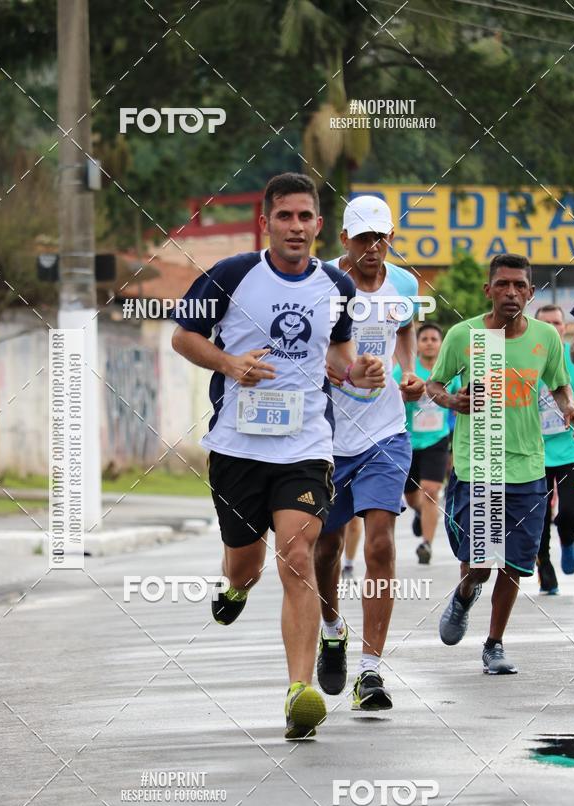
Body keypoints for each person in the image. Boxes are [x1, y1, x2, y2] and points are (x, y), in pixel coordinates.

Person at [172, 173, 385, 740]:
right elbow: (183, 337)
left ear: (319, 224)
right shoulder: (233, 275)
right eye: (285, 216)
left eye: (305, 217)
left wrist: (356, 372)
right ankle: (237, 585)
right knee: (247, 562)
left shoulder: (337, 283)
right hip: (238, 447)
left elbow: (338, 357)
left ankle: (299, 691)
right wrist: (229, 364)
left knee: (298, 554)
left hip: (307, 446)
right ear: (267, 222)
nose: (296, 226)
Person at [427, 253, 574, 675]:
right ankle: (464, 595)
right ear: (488, 290)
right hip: (480, 463)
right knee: (479, 564)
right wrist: (453, 400)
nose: (511, 292)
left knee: (514, 565)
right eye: (503, 284)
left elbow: (560, 384)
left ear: (530, 293)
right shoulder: (465, 335)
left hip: (528, 465)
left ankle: (494, 644)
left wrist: (569, 407)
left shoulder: (546, 339)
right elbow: (434, 384)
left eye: (520, 286)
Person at [314, 194, 424, 710]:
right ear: (344, 241)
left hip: (385, 432)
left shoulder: (404, 284)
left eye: (381, 238)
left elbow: (403, 330)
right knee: (326, 548)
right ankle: (332, 626)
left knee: (380, 542)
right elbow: (302, 351)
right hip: (325, 436)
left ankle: (371, 670)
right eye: (363, 239)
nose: (373, 248)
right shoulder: (319, 284)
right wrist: (344, 370)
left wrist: (408, 372)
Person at [393, 323, 461, 564]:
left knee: (431, 491)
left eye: (434, 338)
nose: (430, 342)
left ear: (441, 344)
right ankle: (421, 513)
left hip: (437, 439)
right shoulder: (405, 371)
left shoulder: (449, 372)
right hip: (408, 440)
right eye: (425, 339)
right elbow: (391, 402)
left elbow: (455, 404)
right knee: (412, 497)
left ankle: (426, 544)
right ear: (417, 344)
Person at [534, 304, 574, 593]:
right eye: (546, 323)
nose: (553, 328)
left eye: (558, 323)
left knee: (571, 513)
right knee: (537, 519)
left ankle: (567, 538)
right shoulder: (526, 358)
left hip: (571, 450)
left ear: (565, 327)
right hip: (533, 452)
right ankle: (545, 571)